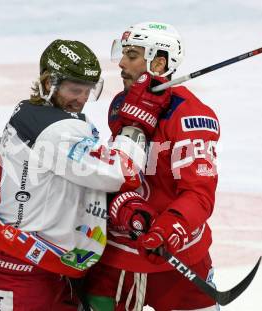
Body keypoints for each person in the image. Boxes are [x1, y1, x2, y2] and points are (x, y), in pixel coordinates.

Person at [0, 39, 164, 311]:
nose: (82, 99)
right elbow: (123, 171)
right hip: (19, 268)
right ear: (49, 84)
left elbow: (77, 179)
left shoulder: (35, 112)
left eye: (88, 91)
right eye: (75, 90)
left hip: (45, 261)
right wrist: (135, 123)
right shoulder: (57, 131)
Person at [84, 22, 220, 311]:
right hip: (119, 257)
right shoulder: (122, 103)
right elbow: (117, 171)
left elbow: (200, 193)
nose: (121, 63)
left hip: (178, 259)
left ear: (159, 63)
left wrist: (170, 228)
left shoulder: (190, 117)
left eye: (131, 56)